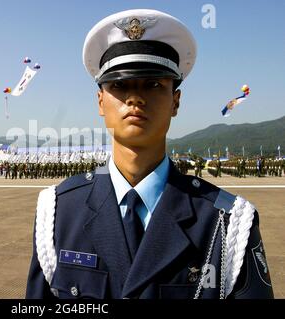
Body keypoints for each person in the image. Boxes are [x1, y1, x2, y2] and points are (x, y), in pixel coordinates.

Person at [25, 9, 274, 299]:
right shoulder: (58, 213)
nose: (135, 98)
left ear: (175, 101)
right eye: (119, 84)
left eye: (154, 84)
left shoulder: (226, 222)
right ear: (100, 102)